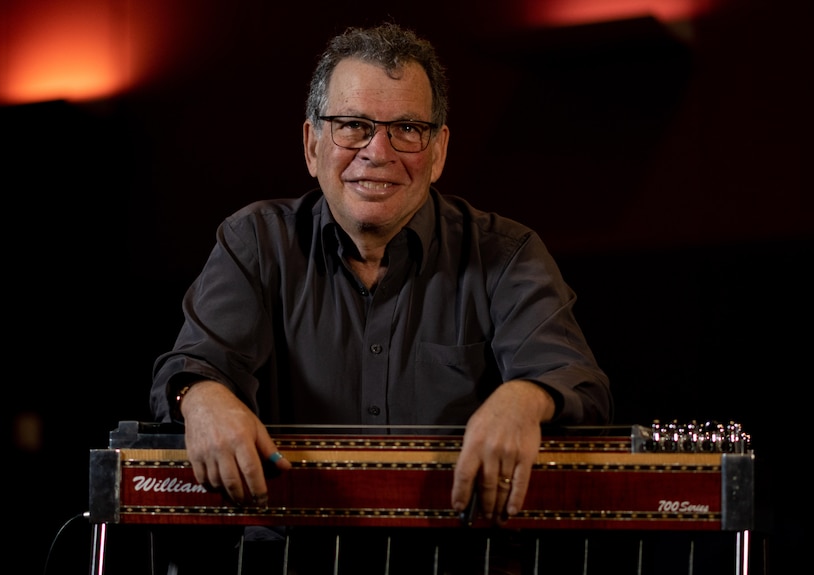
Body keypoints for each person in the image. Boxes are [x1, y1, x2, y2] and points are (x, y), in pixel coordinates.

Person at [150, 21, 612, 574]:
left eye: (408, 128)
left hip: (460, 562)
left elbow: (576, 380)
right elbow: (191, 369)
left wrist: (525, 399)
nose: (378, 151)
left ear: (438, 151)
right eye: (352, 125)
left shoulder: (507, 254)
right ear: (312, 144)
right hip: (291, 562)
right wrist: (202, 397)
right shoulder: (254, 243)